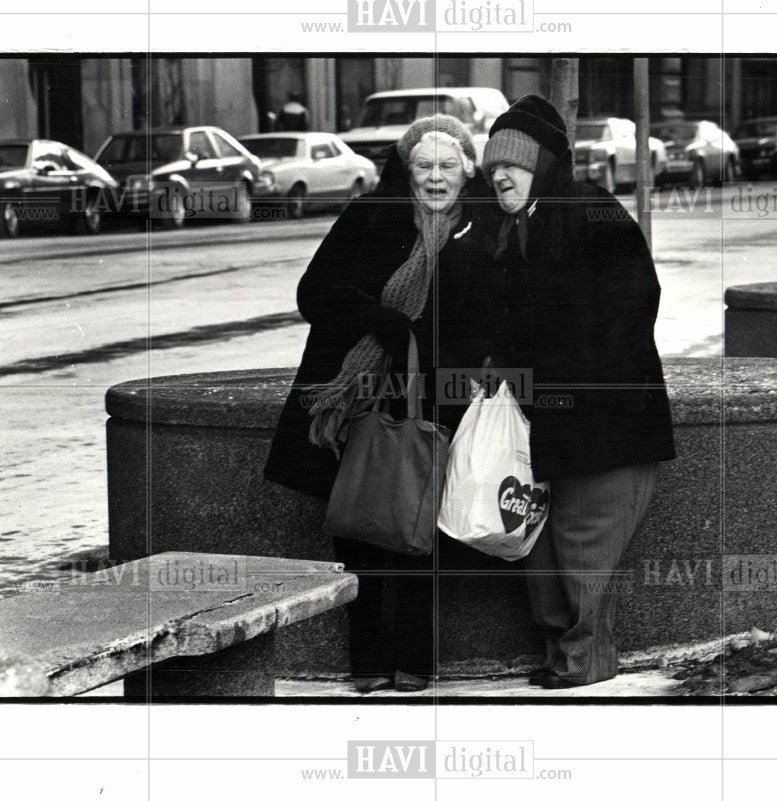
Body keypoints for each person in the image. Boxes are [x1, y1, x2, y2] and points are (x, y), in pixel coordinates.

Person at [263, 115, 491, 693]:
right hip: (356, 394)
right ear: (405, 169)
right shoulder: (370, 216)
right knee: (360, 526)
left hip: (434, 396)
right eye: (423, 166)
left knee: (419, 527)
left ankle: (415, 661)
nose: (435, 178)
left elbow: (502, 312)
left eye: (447, 166)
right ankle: (366, 663)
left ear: (467, 169)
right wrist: (383, 322)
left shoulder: (482, 229)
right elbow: (312, 292)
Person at [475, 95, 677, 689]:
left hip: (605, 424)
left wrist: (562, 374)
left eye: (514, 164)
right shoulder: (514, 228)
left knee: (584, 550)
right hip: (553, 427)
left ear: (546, 165)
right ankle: (565, 656)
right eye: (492, 168)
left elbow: (634, 306)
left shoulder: (593, 214)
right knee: (545, 554)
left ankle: (587, 660)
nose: (501, 176)